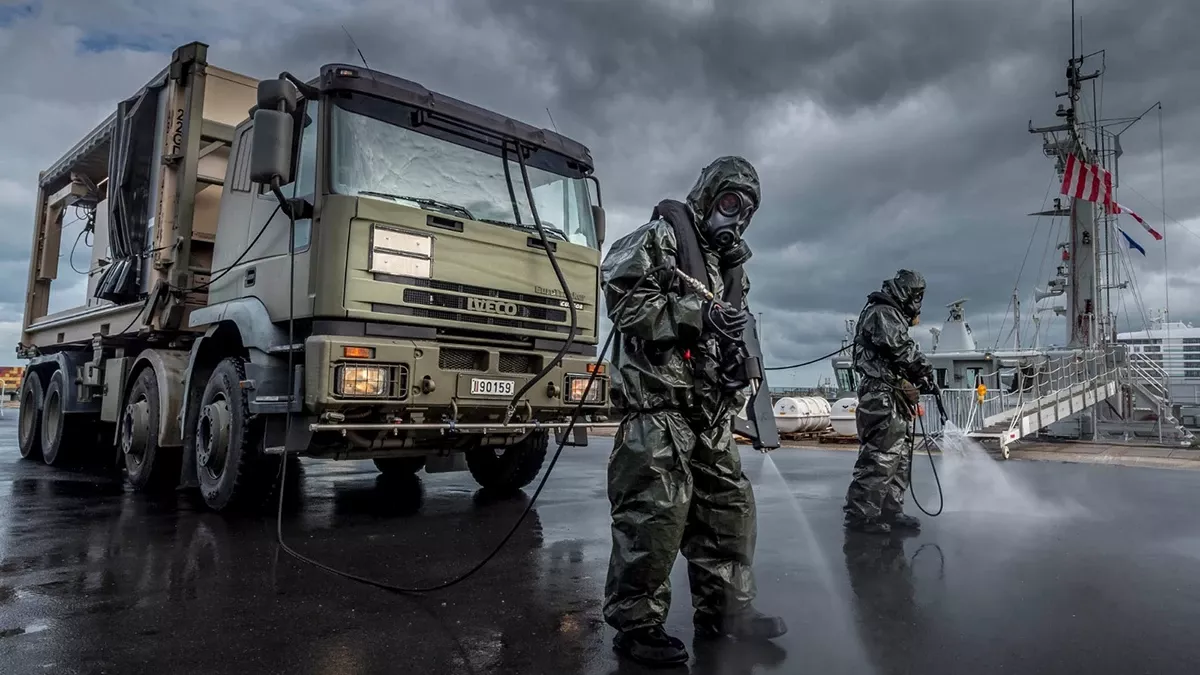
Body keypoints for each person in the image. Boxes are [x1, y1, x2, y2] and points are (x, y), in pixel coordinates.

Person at [599, 156, 787, 668]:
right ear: (707, 195)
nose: (737, 217)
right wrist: (696, 314)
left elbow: (726, 332)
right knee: (652, 519)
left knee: (729, 513)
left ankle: (726, 612)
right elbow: (625, 299)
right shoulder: (660, 239)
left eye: (747, 211)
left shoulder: (730, 269)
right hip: (659, 410)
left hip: (710, 415)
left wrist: (731, 368)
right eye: (730, 203)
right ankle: (637, 624)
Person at [842, 269, 938, 535]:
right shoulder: (882, 312)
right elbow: (899, 348)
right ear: (906, 291)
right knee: (880, 456)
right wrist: (924, 370)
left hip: (893, 392)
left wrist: (916, 378)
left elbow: (896, 354)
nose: (918, 301)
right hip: (879, 393)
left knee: (899, 455)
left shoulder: (891, 314)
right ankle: (862, 515)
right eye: (917, 295)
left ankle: (890, 510)